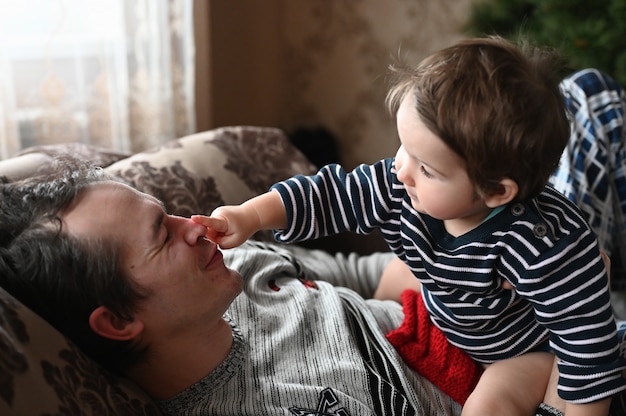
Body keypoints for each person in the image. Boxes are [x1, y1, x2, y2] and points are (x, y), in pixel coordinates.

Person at [197, 36, 626, 416]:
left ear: (496, 191)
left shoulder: (539, 243)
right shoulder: (404, 185)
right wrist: (251, 215)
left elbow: (589, 344)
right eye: (403, 146)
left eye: (427, 167)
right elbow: (330, 195)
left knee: (489, 405)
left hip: (528, 349)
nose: (401, 169)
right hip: (464, 321)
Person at [0, 157, 464, 415]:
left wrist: (478, 275)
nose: (194, 226)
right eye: (163, 235)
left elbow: (374, 273)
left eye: (168, 213)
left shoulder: (241, 266)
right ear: (120, 321)